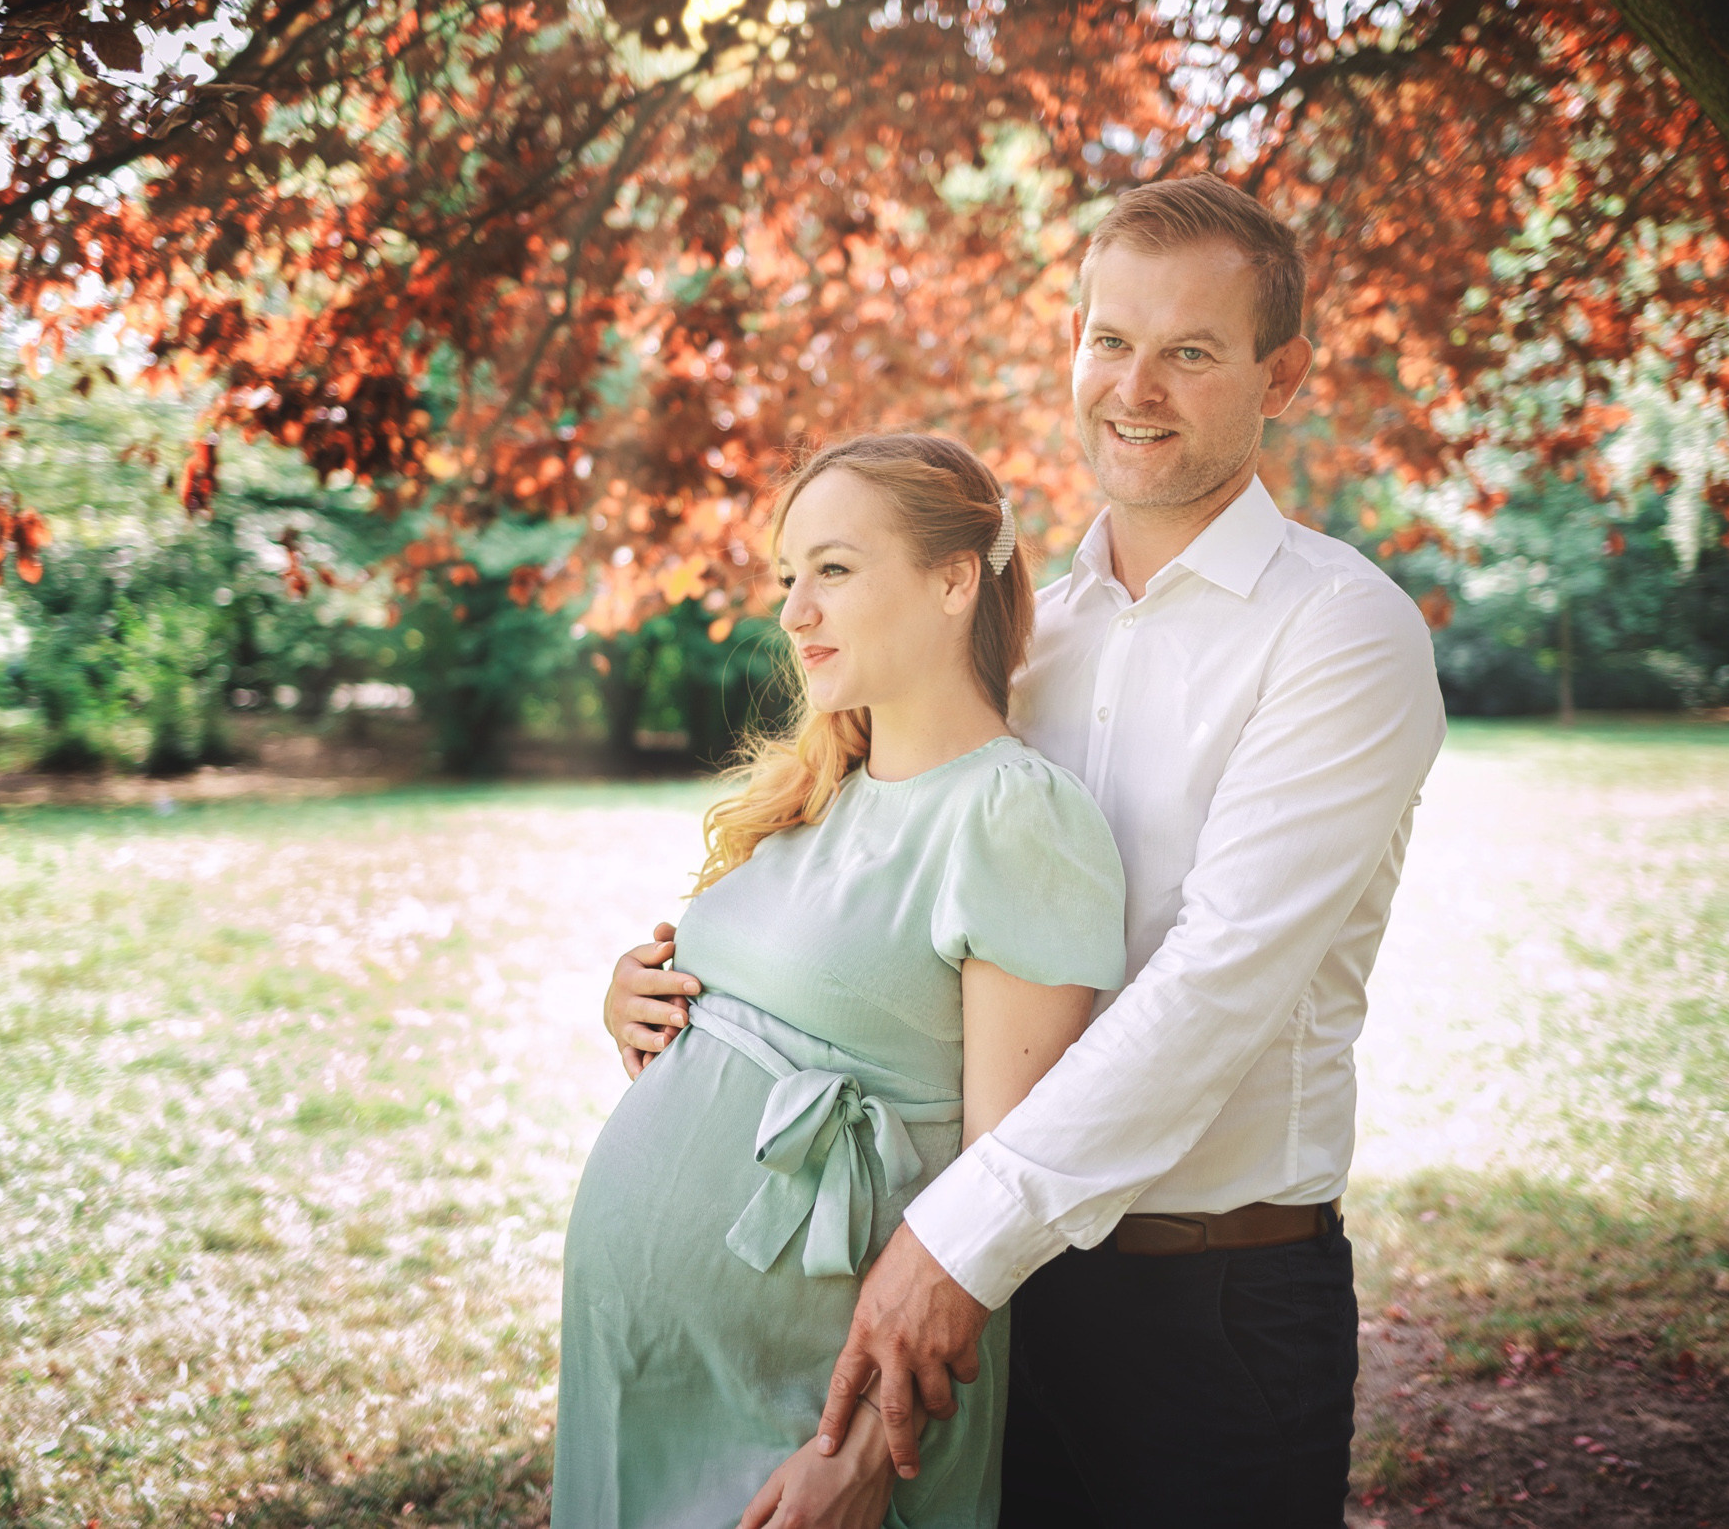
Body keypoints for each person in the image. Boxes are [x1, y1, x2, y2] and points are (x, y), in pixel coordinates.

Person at [605, 175, 1446, 1526]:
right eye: (1110, 340)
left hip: (1207, 1302)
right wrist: (682, 997)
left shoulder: (1340, 634)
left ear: (1281, 371)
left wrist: (954, 1240)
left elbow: (1216, 982)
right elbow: (871, 884)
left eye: (1191, 349)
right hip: (992, 1293)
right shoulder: (1021, 639)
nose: (1137, 385)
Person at [554, 433, 1131, 1529]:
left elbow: (995, 1190)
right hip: (652, 1378)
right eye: (787, 576)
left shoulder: (1011, 814)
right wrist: (637, 996)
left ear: (953, 579)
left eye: (832, 568)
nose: (793, 610)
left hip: (814, 1416)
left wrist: (860, 1452)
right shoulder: (825, 792)